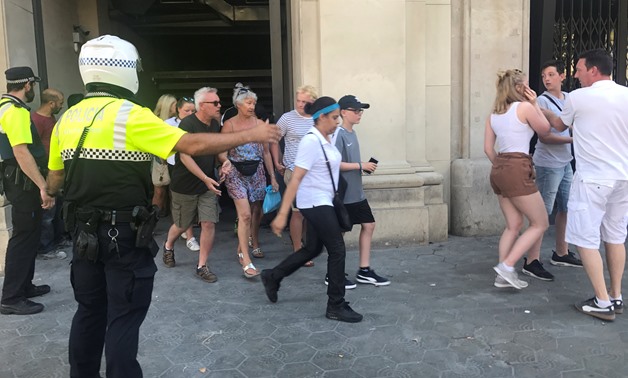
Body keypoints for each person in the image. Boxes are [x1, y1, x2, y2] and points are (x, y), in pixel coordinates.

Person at [45, 35, 279, 378]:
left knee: (89, 311)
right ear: (125, 70)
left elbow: (54, 180)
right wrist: (250, 135)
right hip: (121, 235)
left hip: (83, 234)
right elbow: (191, 143)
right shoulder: (130, 115)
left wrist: (53, 191)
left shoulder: (68, 118)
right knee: (123, 315)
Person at [543, 49, 628, 321]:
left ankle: (602, 301)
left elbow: (557, 125)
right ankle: (616, 296)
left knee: (585, 240)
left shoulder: (578, 98)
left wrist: (537, 107)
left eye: (579, 70)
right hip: (622, 177)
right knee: (615, 236)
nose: (576, 76)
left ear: (593, 70)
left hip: (592, 179)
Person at [262, 96, 363, 323]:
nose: (338, 121)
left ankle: (273, 276)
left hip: (324, 200)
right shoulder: (311, 141)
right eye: (335, 117)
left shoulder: (327, 138)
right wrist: (281, 215)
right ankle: (335, 305)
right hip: (314, 202)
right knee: (337, 249)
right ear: (322, 117)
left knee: (312, 249)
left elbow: (335, 159)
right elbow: (296, 179)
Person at [483, 69, 551, 290]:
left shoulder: (493, 114)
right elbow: (545, 130)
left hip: (499, 166)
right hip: (518, 166)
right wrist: (534, 105)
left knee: (513, 225)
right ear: (521, 88)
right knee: (540, 222)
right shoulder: (524, 108)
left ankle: (503, 275)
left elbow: (487, 149)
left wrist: (502, 166)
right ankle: (508, 266)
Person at [0, 66, 55, 316]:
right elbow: (21, 152)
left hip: (15, 181)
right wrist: (43, 186)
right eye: (33, 85)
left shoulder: (3, 106)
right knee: (23, 238)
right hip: (23, 182)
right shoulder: (17, 112)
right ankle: (12, 297)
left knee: (29, 235)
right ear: (27, 86)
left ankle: (24, 286)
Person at [525, 60, 582, 282]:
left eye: (550, 74)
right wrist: (575, 139)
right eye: (543, 76)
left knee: (565, 208)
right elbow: (545, 137)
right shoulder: (540, 101)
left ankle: (561, 252)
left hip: (566, 162)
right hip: (548, 165)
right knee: (542, 213)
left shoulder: (569, 99)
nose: (546, 79)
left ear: (562, 76)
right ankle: (532, 260)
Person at [162, 87, 225, 283]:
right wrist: (205, 178)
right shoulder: (187, 125)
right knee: (182, 224)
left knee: (208, 223)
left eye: (218, 102)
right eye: (214, 103)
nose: (219, 105)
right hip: (185, 185)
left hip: (207, 185)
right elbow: (185, 155)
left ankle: (202, 265)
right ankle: (168, 246)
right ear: (202, 106)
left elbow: (218, 148)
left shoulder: (215, 124)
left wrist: (225, 161)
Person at [330, 95, 390, 287]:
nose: (359, 114)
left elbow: (350, 163)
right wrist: (360, 165)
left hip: (357, 193)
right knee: (341, 233)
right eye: (356, 111)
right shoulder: (338, 134)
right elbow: (334, 164)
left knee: (369, 225)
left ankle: (364, 270)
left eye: (360, 110)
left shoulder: (352, 134)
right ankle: (333, 274)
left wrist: (363, 167)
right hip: (345, 194)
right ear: (343, 112)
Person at [222, 84, 279, 278]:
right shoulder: (229, 125)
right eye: (248, 102)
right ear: (238, 104)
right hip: (235, 172)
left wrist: (272, 177)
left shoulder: (260, 125)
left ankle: (241, 247)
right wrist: (225, 162)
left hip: (257, 172)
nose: (252, 106)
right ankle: (246, 261)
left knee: (256, 211)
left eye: (254, 102)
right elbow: (222, 151)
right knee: (245, 214)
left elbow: (266, 152)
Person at [270, 85, 318, 267]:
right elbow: (274, 138)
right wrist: (277, 161)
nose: (300, 104)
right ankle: (298, 250)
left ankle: (304, 244)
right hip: (294, 171)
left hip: (314, 173)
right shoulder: (287, 118)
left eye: (305, 102)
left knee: (309, 211)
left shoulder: (318, 118)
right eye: (298, 100)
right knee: (298, 212)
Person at [31, 88, 68, 260]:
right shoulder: (37, 120)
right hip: (45, 171)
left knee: (57, 207)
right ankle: (45, 248)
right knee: (47, 211)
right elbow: (32, 147)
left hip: (54, 169)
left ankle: (58, 239)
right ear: (51, 103)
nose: (61, 106)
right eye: (60, 103)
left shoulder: (50, 118)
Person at [164, 96, 199, 251]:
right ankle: (188, 233)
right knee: (182, 201)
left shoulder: (199, 123)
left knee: (191, 200)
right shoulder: (169, 124)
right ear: (178, 109)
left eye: (193, 110)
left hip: (195, 164)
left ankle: (186, 230)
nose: (190, 113)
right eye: (187, 110)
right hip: (174, 164)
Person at [151, 94, 177, 217]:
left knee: (175, 192)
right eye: (174, 104)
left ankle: (178, 221)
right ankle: (152, 220)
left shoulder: (179, 119)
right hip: (160, 159)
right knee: (159, 191)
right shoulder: (155, 121)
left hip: (174, 158)